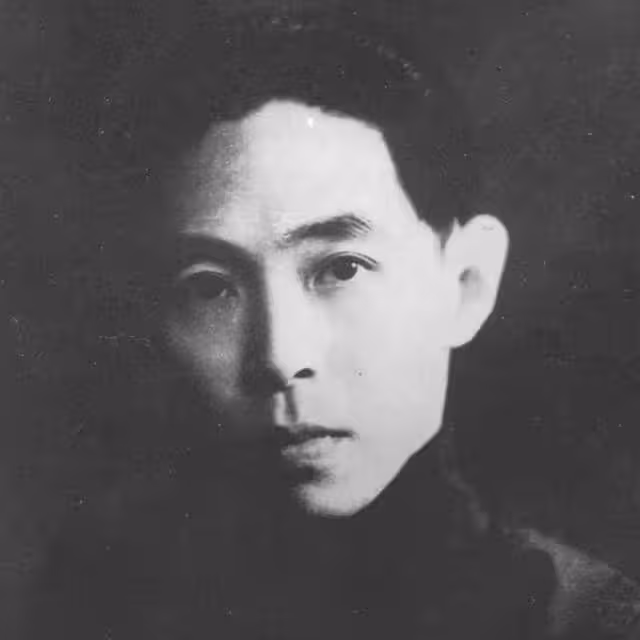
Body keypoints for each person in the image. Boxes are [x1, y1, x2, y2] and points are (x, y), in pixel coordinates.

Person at [24, 9, 640, 640]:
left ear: (465, 283)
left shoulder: (587, 622)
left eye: (341, 269)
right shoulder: (96, 605)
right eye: (211, 286)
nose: (279, 356)